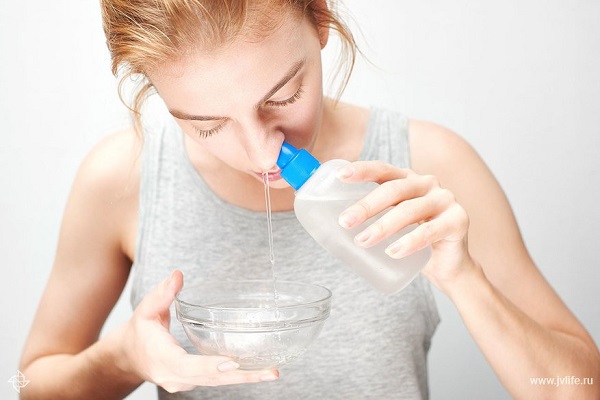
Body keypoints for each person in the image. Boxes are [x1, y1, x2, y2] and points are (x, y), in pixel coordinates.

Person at [19, 0, 600, 399]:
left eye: (284, 95)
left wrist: (466, 278)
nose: (261, 153)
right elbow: (33, 386)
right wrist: (123, 358)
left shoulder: (430, 167)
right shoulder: (122, 180)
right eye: (206, 123)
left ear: (320, 17)